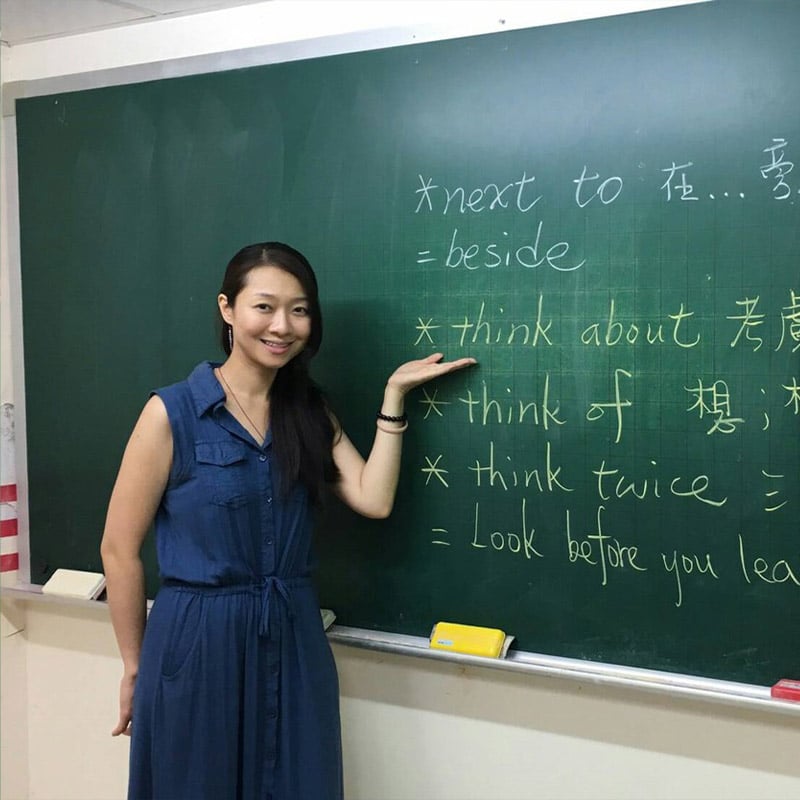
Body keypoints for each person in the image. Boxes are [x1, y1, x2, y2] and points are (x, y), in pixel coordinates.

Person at [100, 241, 476, 800]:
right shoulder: (171, 413)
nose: (282, 326)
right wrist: (134, 664)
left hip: (293, 634)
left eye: (299, 310)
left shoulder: (307, 412)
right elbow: (118, 548)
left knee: (298, 783)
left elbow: (373, 498)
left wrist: (393, 397)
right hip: (198, 640)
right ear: (228, 309)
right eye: (265, 307)